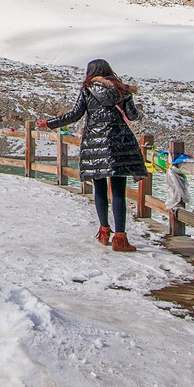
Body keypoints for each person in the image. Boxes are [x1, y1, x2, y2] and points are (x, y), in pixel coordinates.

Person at [40, 58, 144, 252]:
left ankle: (104, 232)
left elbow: (74, 115)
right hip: (120, 144)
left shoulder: (87, 91)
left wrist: (50, 123)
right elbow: (132, 116)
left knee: (99, 188)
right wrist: (139, 111)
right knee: (119, 190)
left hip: (94, 146)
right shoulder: (122, 90)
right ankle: (120, 238)